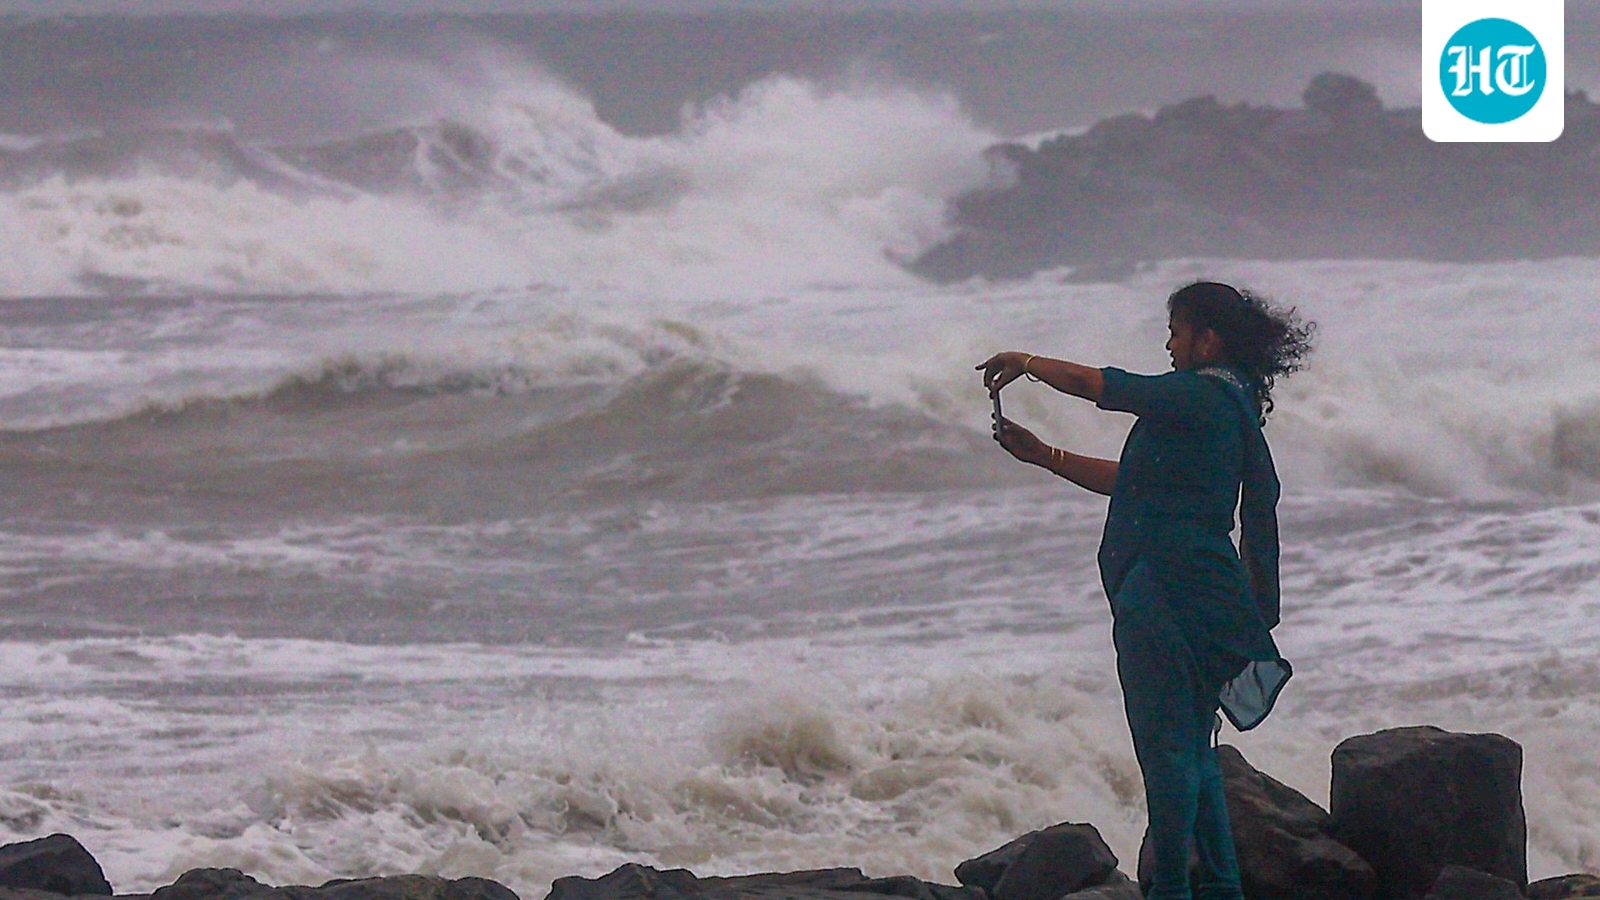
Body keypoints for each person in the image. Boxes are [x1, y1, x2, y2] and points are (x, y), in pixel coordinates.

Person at [975, 281, 1314, 900]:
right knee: (1193, 748)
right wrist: (1046, 455)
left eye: (1177, 331)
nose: (1169, 343)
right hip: (1203, 593)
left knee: (1165, 751)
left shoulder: (1197, 393)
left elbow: (1106, 387)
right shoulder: (1230, 405)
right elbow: (1135, 480)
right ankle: (1219, 887)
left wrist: (1025, 364)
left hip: (1161, 588)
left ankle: (1175, 894)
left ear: (1206, 339)